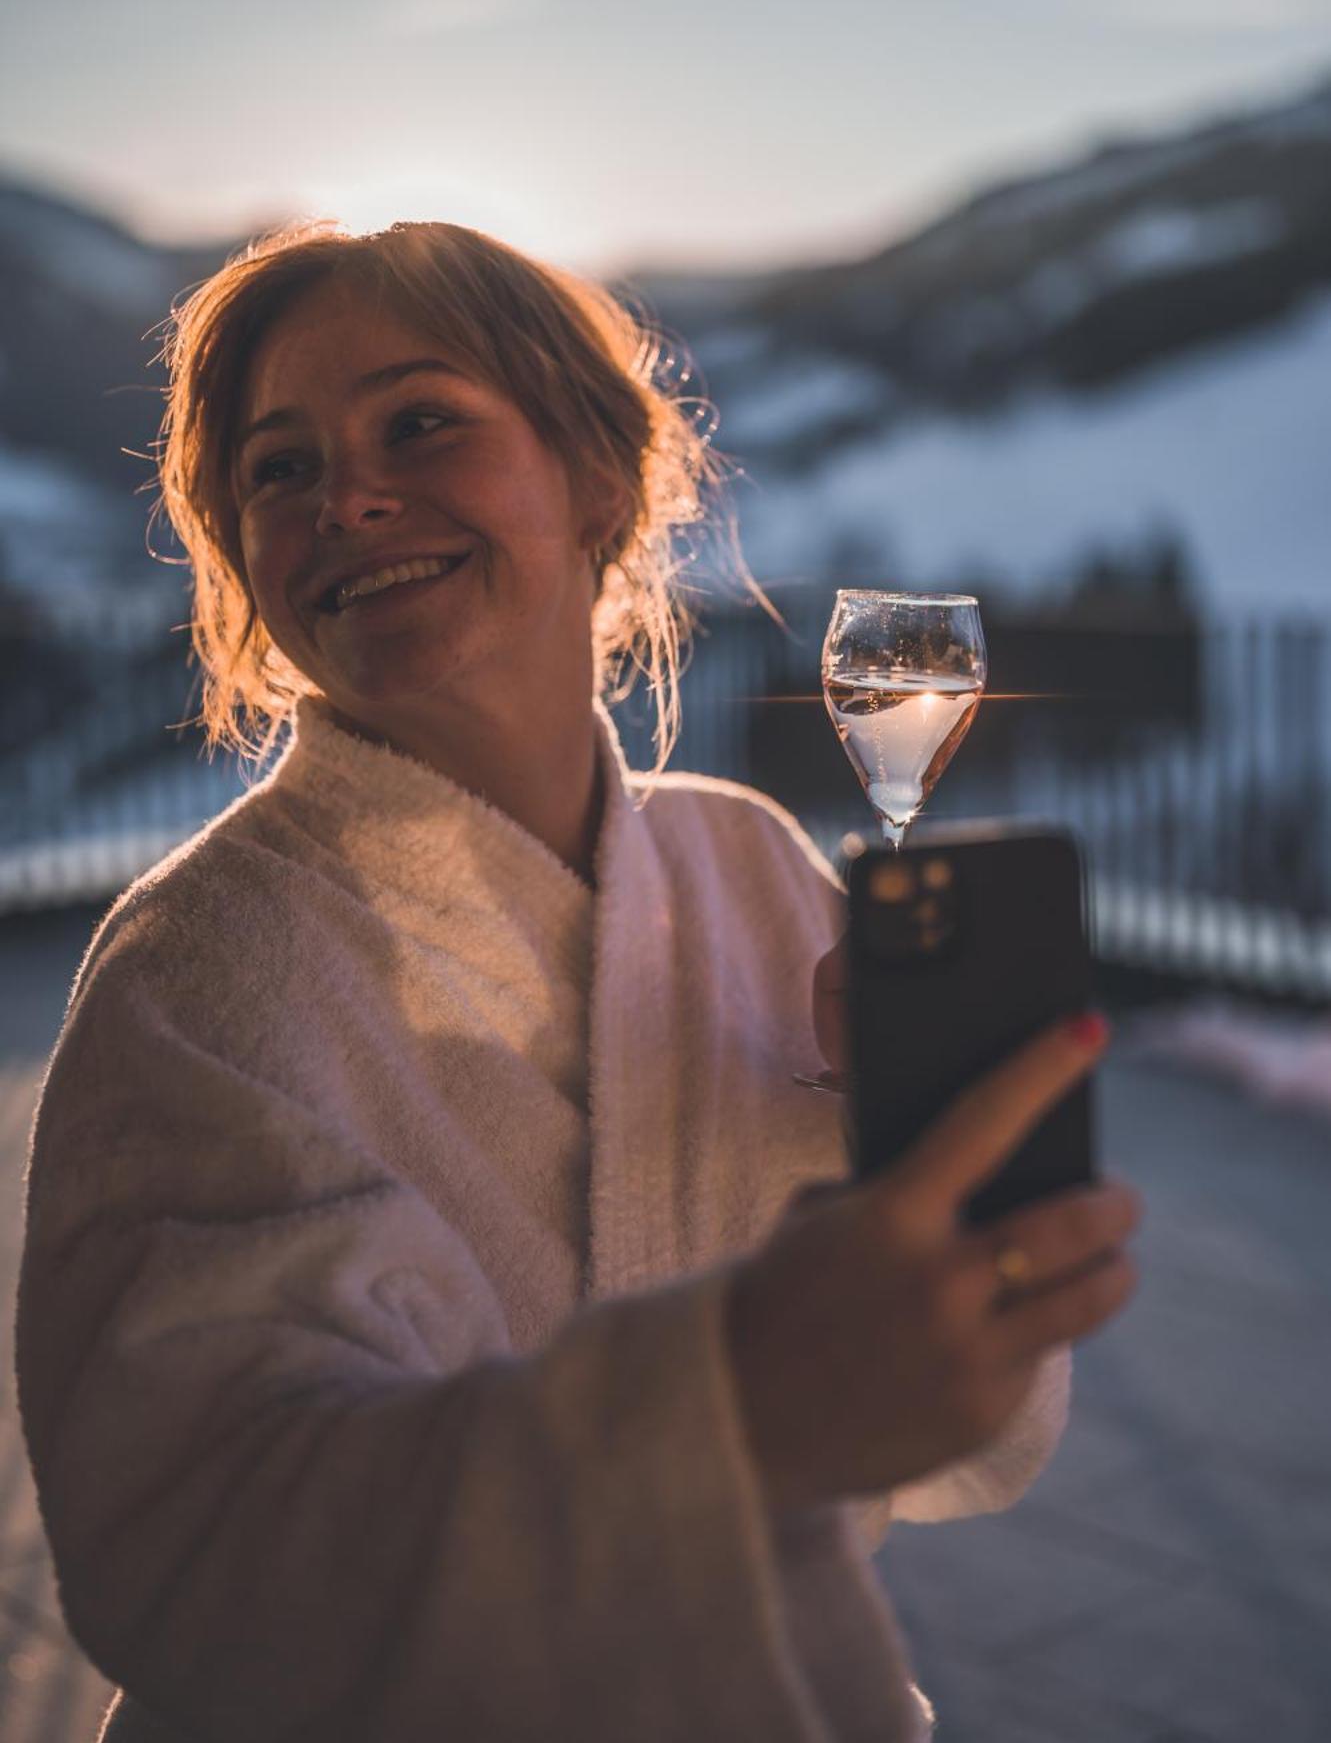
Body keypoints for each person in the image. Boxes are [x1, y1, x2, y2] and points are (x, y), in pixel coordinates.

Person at [16, 220, 1141, 1743]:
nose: (344, 494)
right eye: (279, 469)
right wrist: (733, 1405)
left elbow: (958, 1442)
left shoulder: (747, 866)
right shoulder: (201, 973)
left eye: (421, 423)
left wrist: (949, 1179)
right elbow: (204, 1559)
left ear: (596, 479)